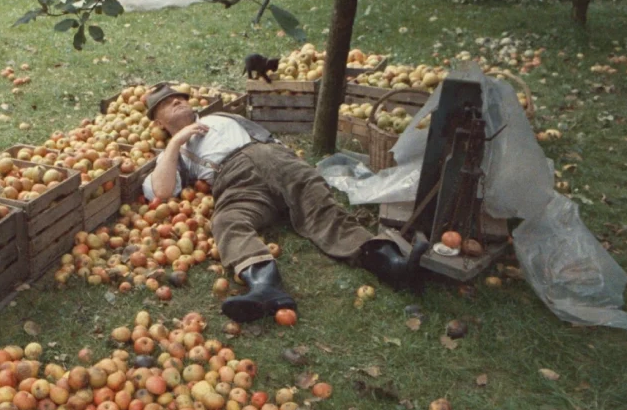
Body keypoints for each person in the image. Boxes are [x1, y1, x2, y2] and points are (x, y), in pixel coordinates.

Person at [143, 83, 429, 323]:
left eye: (178, 96)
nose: (177, 100)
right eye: (167, 103)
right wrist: (176, 141)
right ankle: (265, 285)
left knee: (320, 206)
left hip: (273, 158)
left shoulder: (220, 117)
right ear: (158, 122)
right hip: (235, 181)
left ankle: (389, 262)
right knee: (226, 221)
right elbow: (162, 191)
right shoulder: (174, 154)